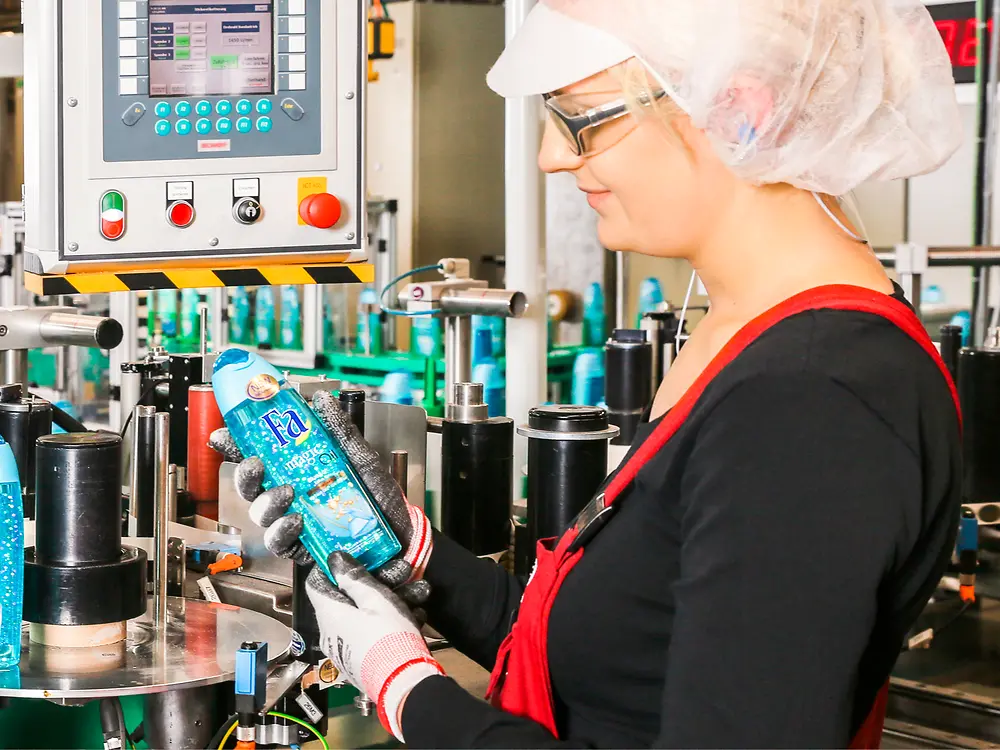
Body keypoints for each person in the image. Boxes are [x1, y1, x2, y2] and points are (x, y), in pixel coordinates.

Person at [212, 1, 965, 746]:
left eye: (584, 118)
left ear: (740, 113)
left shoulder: (810, 402)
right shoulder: (750, 336)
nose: (552, 155)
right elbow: (608, 656)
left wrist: (401, 684)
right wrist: (408, 545)